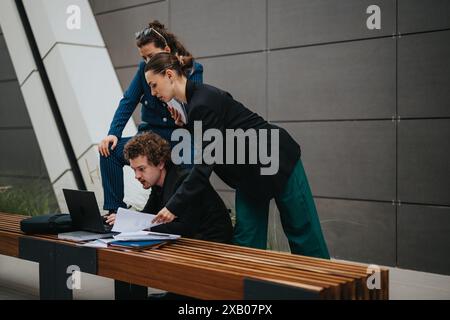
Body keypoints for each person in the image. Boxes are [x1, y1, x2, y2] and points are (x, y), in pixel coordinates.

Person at [143, 52, 330, 259]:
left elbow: (205, 164)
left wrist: (173, 206)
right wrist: (186, 126)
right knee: (247, 241)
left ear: (169, 75)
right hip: (250, 175)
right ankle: (248, 289)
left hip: (277, 157)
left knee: (302, 231)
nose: (152, 93)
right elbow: (221, 137)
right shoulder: (196, 104)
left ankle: (326, 290)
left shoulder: (202, 101)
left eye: (153, 85)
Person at [98, 20, 203, 214]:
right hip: (149, 135)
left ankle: (183, 215)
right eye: (144, 58)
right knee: (109, 151)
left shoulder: (192, 68)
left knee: (189, 164)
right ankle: (114, 213)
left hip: (178, 137)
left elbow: (197, 106)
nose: (148, 62)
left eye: (151, 56)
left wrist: (183, 116)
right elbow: (128, 101)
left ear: (166, 49)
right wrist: (113, 133)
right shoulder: (143, 70)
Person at [105, 132, 233, 244]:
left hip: (213, 245)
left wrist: (140, 225)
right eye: (134, 170)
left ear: (160, 163)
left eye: (141, 169)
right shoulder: (158, 184)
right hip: (194, 242)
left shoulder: (184, 181)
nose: (137, 176)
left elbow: (185, 228)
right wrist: (126, 220)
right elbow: (148, 215)